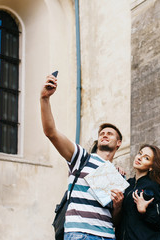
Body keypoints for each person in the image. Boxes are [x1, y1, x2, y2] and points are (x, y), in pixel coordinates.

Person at [40, 73, 125, 240]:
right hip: (80, 234)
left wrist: (118, 206)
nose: (104, 135)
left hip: (107, 235)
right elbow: (51, 133)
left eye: (110, 134)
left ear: (119, 142)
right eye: (102, 133)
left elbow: (115, 220)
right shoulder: (81, 157)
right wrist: (44, 99)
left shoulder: (118, 175)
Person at [113, 144, 160, 240]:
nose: (139, 158)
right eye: (140, 153)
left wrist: (144, 211)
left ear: (151, 167)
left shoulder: (153, 186)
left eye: (146, 158)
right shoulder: (128, 185)